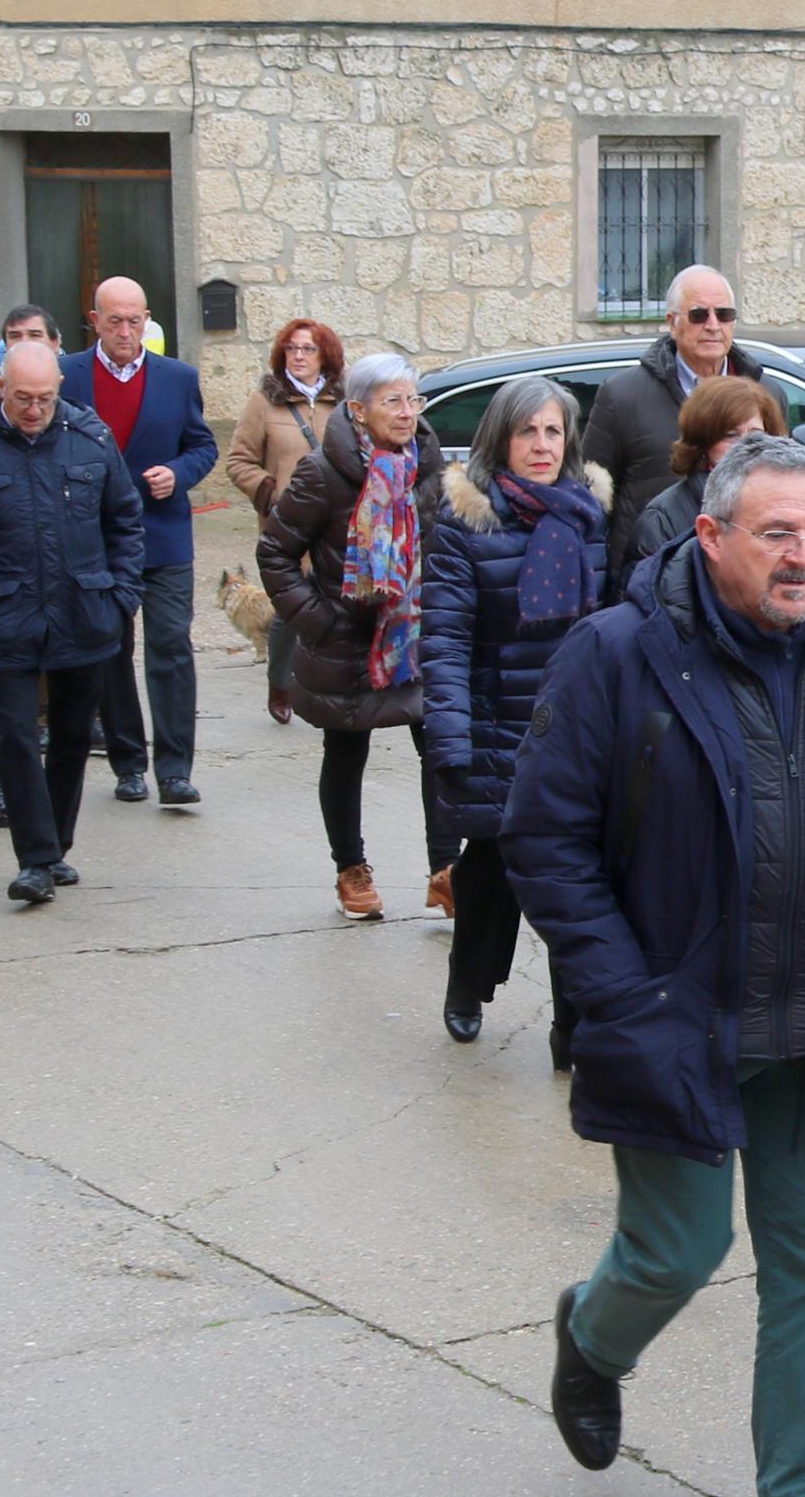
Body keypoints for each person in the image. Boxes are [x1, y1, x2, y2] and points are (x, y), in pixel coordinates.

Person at [508, 432, 805, 1497]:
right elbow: (543, 840)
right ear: (710, 536)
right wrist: (625, 995)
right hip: (678, 1018)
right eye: (777, 534)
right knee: (679, 1247)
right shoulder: (619, 655)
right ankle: (593, 1341)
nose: (804, 557)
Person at [420, 375, 610, 1047]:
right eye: (526, 430)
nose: (540, 444)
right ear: (500, 438)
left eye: (552, 430)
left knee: (577, 877)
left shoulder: (589, 513)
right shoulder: (468, 522)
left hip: (578, 731)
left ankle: (572, 1024)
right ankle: (467, 981)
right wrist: (450, 741)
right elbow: (443, 637)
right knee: (493, 870)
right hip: (499, 724)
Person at [0, 343, 143, 909]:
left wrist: (122, 596)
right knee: (17, 738)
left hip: (85, 612)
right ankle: (33, 859)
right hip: (1, 615)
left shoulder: (90, 437)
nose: (35, 410)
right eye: (23, 399)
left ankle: (55, 847)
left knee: (74, 736)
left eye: (46, 398)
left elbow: (124, 519)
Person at [259, 350, 456, 921]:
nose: (406, 413)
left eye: (413, 400)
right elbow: (275, 553)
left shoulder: (428, 467)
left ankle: (445, 871)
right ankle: (351, 871)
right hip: (347, 639)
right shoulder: (323, 473)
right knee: (346, 751)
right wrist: (317, 620)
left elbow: (447, 547)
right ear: (357, 409)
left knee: (439, 748)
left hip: (415, 635)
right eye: (392, 401)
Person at [74, 276, 218, 810]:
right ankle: (127, 761)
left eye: (135, 320)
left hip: (163, 535)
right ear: (94, 320)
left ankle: (175, 770)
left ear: (148, 319)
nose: (126, 331)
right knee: (110, 650)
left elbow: (203, 446)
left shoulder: (177, 379)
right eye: (115, 320)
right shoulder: (68, 376)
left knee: (171, 648)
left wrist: (178, 474)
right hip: (96, 540)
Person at [582, 264, 750, 576]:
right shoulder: (621, 396)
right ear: (672, 323)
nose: (713, 325)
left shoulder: (764, 395)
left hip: (740, 576)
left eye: (724, 314)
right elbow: (589, 503)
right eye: (699, 315)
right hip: (651, 578)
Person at [225, 317, 344, 726]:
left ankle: (327, 688)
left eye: (308, 349)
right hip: (288, 527)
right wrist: (270, 492)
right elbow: (239, 461)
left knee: (335, 607)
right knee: (291, 611)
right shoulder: (265, 401)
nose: (298, 356)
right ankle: (280, 682)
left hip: (336, 525)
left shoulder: (345, 401)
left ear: (324, 355)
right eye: (291, 349)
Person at [613, 376, 788, 603]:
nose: (746, 445)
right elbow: (644, 604)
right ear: (704, 444)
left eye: (756, 435)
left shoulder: (790, 506)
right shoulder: (662, 518)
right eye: (730, 435)